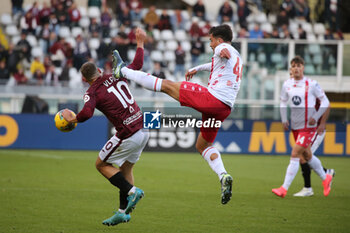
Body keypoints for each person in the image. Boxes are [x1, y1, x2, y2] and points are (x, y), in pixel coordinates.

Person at [112, 24, 242, 205]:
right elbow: (220, 62)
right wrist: (198, 68)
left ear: (219, 39)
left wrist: (221, 51)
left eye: (211, 40)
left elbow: (222, 51)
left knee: (167, 86)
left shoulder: (223, 47)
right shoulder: (238, 55)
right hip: (225, 108)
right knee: (203, 145)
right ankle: (223, 175)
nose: (211, 44)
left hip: (213, 98)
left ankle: (122, 70)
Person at [62, 28, 148, 226]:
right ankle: (122, 212)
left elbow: (87, 113)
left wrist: (71, 119)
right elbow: (137, 65)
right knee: (126, 170)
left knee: (101, 165)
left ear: (84, 79)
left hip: (128, 133)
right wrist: (140, 43)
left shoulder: (92, 91)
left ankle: (134, 192)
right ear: (99, 70)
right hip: (144, 128)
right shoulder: (117, 74)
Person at [272, 56, 333, 198]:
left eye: (299, 65)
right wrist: (283, 119)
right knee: (307, 155)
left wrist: (317, 118)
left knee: (295, 154)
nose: (296, 68)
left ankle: (284, 188)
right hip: (295, 126)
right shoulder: (286, 84)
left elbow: (326, 101)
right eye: (294, 66)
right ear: (291, 69)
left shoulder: (312, 84)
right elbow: (282, 102)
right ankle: (326, 178)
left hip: (308, 126)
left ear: (303, 68)